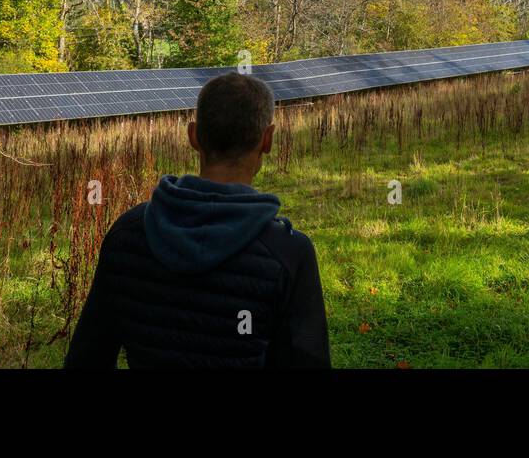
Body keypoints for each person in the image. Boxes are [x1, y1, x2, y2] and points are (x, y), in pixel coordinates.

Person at [64, 72, 330, 368]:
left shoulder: (127, 233)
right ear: (267, 139)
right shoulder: (289, 253)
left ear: (193, 136)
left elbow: (86, 359)